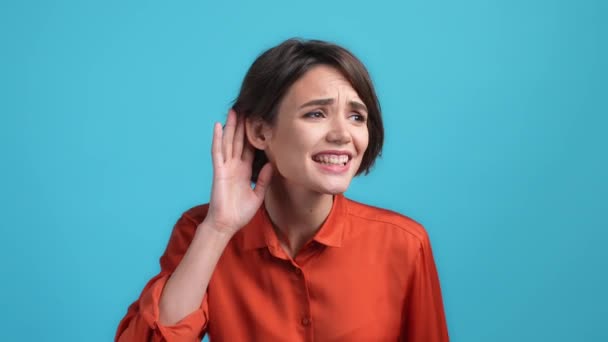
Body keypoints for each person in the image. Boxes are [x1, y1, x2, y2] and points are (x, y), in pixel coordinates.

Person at [115, 38, 449, 342]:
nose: (343, 134)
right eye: (316, 113)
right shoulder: (201, 232)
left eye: (357, 117)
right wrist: (217, 230)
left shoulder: (404, 244)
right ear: (260, 131)